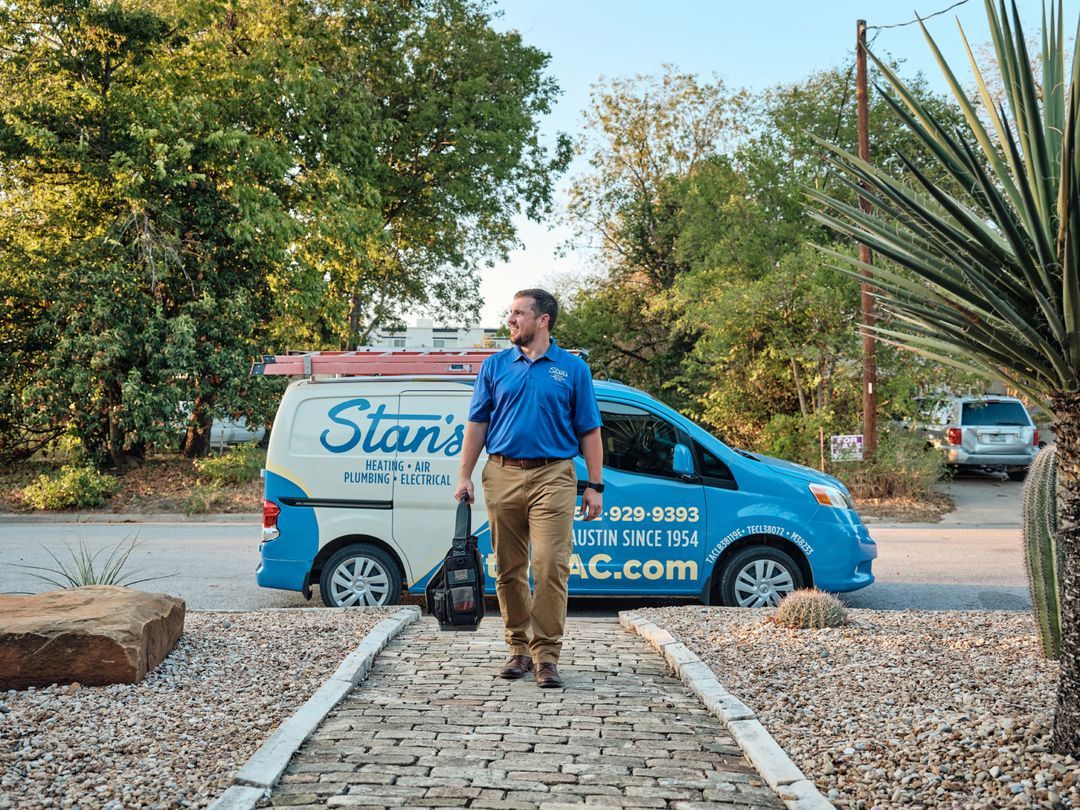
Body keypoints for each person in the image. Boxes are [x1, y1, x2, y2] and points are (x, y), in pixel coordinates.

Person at [453, 289, 603, 688]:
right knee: (508, 569)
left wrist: (595, 485)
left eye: (519, 313)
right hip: (501, 472)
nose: (511, 320)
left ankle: (547, 655)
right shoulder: (495, 365)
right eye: (510, 312)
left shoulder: (572, 370)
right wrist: (465, 474)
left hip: (553, 475)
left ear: (543, 320)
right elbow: (477, 425)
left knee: (551, 564)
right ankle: (518, 649)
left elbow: (589, 430)